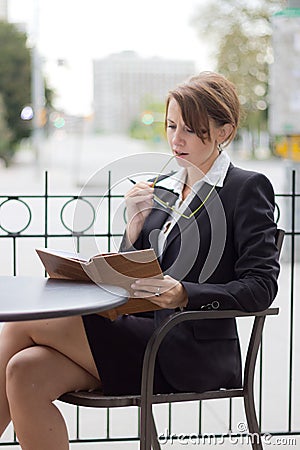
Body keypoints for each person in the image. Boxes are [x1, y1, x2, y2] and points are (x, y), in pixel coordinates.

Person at [0, 72, 280, 450]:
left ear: (224, 131)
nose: (176, 139)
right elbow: (134, 275)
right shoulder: (163, 187)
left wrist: (184, 294)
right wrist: (132, 230)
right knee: (23, 371)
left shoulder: (245, 188)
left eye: (191, 129)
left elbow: (261, 287)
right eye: (171, 125)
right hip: (136, 334)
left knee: (22, 326)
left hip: (186, 349)